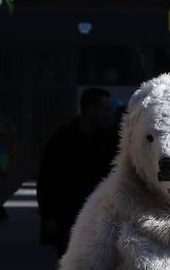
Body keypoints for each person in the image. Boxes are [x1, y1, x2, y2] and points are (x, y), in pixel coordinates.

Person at [37, 88, 119, 257]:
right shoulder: (63, 139)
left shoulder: (110, 140)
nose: (109, 114)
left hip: (101, 221)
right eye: (105, 109)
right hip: (68, 219)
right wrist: (48, 216)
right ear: (91, 110)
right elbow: (47, 179)